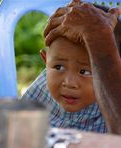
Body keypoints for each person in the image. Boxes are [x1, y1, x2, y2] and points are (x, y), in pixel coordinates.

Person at [21, 1, 121, 134]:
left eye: (84, 71)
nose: (69, 83)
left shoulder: (113, 95)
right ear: (46, 61)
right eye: (58, 67)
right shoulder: (42, 91)